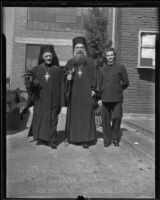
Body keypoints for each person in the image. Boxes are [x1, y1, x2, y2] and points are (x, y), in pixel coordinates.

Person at [20, 45, 63, 149]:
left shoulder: (57, 70)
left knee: (53, 120)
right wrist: (30, 82)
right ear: (42, 57)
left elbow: (62, 86)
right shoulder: (36, 69)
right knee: (40, 118)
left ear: (53, 57)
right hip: (40, 100)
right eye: (46, 56)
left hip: (53, 101)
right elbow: (29, 85)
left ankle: (52, 141)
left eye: (50, 56)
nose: (48, 58)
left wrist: (61, 101)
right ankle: (40, 137)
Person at [64, 36, 98, 148]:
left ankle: (85, 140)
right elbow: (64, 77)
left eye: (81, 47)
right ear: (74, 49)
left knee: (86, 116)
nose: (79, 49)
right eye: (77, 47)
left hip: (87, 94)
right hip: (74, 94)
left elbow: (96, 77)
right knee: (74, 116)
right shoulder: (70, 62)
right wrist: (67, 78)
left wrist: (94, 89)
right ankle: (73, 137)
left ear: (84, 49)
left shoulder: (91, 62)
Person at [98, 47, 129, 147]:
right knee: (105, 120)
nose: (110, 57)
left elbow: (126, 82)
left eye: (111, 55)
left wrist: (119, 89)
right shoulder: (101, 69)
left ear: (114, 56)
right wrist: (99, 97)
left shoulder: (121, 67)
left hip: (117, 98)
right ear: (105, 57)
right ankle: (107, 139)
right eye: (108, 55)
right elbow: (98, 84)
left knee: (117, 117)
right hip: (105, 98)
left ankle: (115, 138)